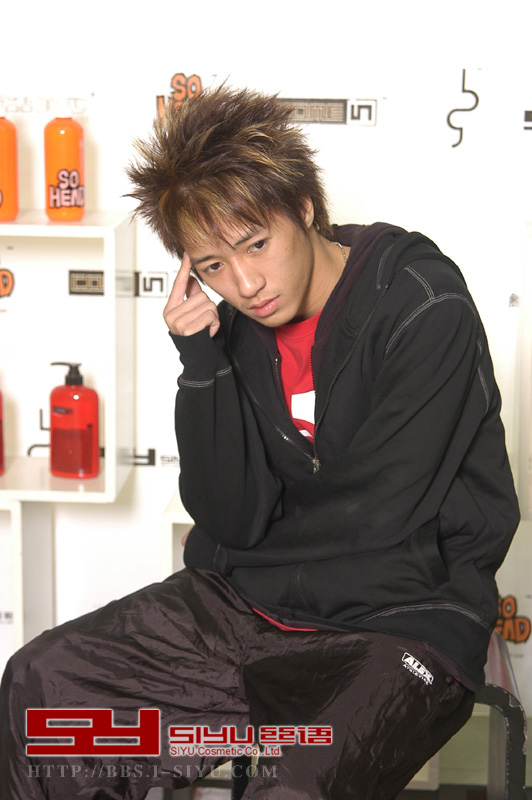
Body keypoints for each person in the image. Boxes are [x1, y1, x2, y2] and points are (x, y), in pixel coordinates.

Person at [0, 85, 520, 800]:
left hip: (398, 620)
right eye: (212, 265)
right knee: (43, 689)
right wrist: (202, 362)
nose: (245, 284)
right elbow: (231, 518)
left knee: (296, 781)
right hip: (249, 609)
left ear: (303, 207)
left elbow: (380, 517)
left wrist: (235, 558)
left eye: (256, 244)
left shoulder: (422, 305)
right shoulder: (237, 335)